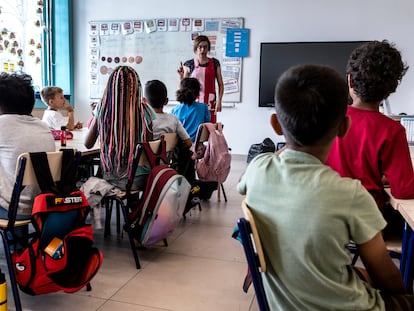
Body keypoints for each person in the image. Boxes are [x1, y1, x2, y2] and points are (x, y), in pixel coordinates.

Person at [237, 64, 414, 310]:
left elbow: (244, 183)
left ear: (276, 124)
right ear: (344, 127)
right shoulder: (351, 194)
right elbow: (387, 278)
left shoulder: (258, 168)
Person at [326, 40, 414, 234]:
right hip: (365, 222)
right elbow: (404, 190)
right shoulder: (392, 130)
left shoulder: (328, 118)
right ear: (391, 89)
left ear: (349, 80)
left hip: (323, 216)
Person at [84, 66, 156, 190]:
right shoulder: (145, 111)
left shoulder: (103, 109)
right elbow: (148, 148)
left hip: (114, 178)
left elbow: (88, 144)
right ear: (136, 88)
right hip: (143, 178)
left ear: (111, 87)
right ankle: (133, 208)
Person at [0, 72, 55, 221]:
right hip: (42, 205)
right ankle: (19, 244)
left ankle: (16, 243)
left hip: (11, 209)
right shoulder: (43, 126)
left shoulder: (2, 124)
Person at [177, 35, 224, 123]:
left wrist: (219, 100)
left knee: (210, 126)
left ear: (208, 48)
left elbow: (220, 84)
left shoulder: (215, 63)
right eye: (200, 47)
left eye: (205, 47)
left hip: (210, 101)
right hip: (193, 101)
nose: (202, 50)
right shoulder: (189, 64)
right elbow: (183, 86)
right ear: (196, 48)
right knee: (195, 125)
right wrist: (181, 76)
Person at [143, 79, 192, 148]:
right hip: (166, 158)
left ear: (144, 101)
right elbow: (189, 143)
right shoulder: (173, 119)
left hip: (145, 158)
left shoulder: (144, 120)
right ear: (166, 101)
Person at [171, 77, 210, 142]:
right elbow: (206, 125)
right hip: (197, 146)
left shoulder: (174, 110)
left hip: (181, 146)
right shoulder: (204, 108)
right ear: (198, 93)